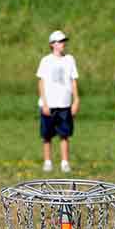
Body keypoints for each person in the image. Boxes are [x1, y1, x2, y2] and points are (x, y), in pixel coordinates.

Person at [36, 30, 80, 173]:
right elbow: (41, 82)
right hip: (49, 103)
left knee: (64, 134)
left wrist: (76, 100)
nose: (63, 44)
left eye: (63, 41)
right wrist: (45, 103)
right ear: (52, 44)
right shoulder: (45, 61)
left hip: (64, 103)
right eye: (59, 42)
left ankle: (64, 162)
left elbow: (73, 81)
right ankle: (47, 161)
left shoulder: (70, 59)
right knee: (47, 135)